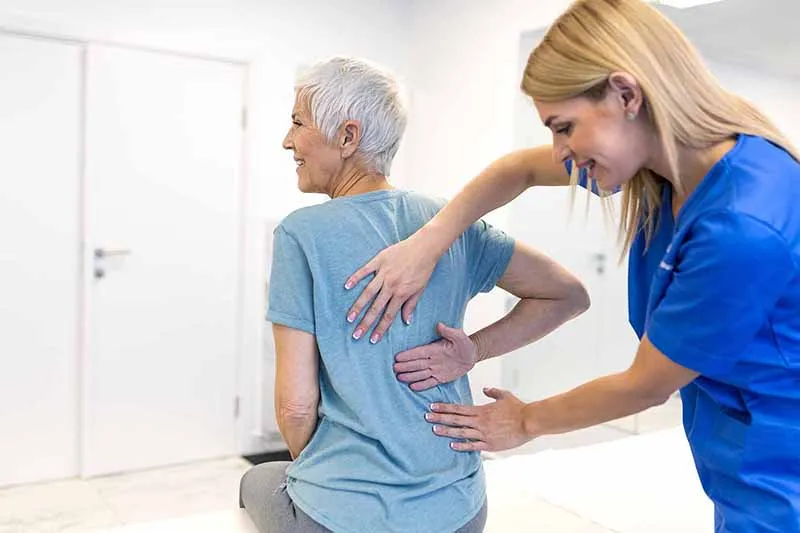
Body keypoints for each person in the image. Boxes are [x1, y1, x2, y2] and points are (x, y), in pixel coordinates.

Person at [342, 0, 800, 531]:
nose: (560, 150)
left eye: (564, 127)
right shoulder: (667, 168)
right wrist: (427, 245)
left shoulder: (742, 224)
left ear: (627, 95)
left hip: (780, 467)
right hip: (738, 448)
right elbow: (517, 168)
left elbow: (645, 385)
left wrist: (525, 421)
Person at [238, 57, 589, 533]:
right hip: (460, 511)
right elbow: (567, 295)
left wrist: (341, 485)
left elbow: (295, 407)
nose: (287, 140)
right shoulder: (450, 223)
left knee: (254, 480)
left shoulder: (301, 233)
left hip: (341, 519)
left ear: (347, 136)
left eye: (298, 123)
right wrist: (474, 350)